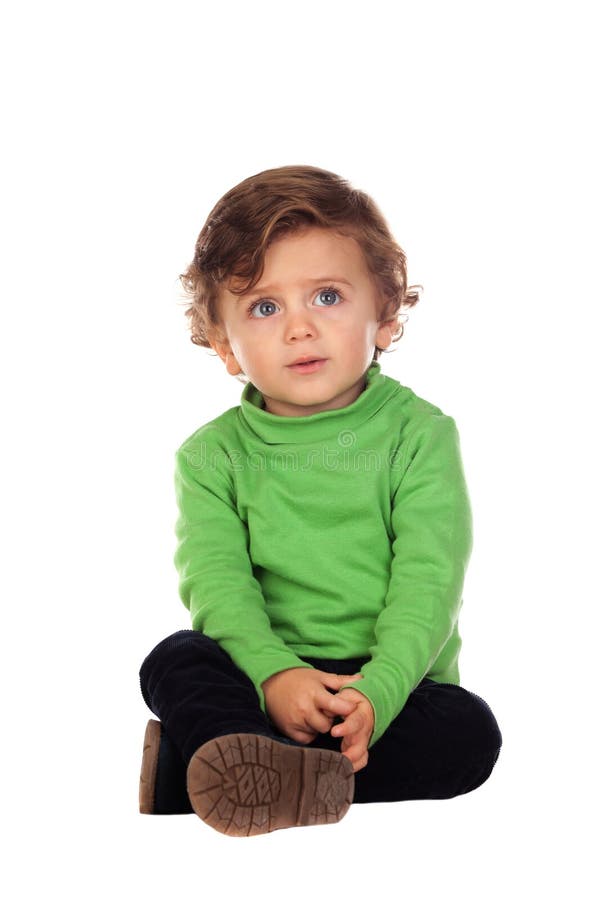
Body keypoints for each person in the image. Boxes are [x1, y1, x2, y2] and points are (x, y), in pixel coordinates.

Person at [138, 164, 502, 838]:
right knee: (173, 658)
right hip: (261, 676)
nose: (299, 328)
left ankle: (202, 774)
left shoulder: (420, 435)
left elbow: (429, 582)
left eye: (327, 297)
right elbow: (217, 585)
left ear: (385, 317)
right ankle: (244, 754)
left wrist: (378, 691)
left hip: (391, 685)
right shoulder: (211, 455)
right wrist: (275, 677)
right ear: (225, 346)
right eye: (265, 307)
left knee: (471, 734)